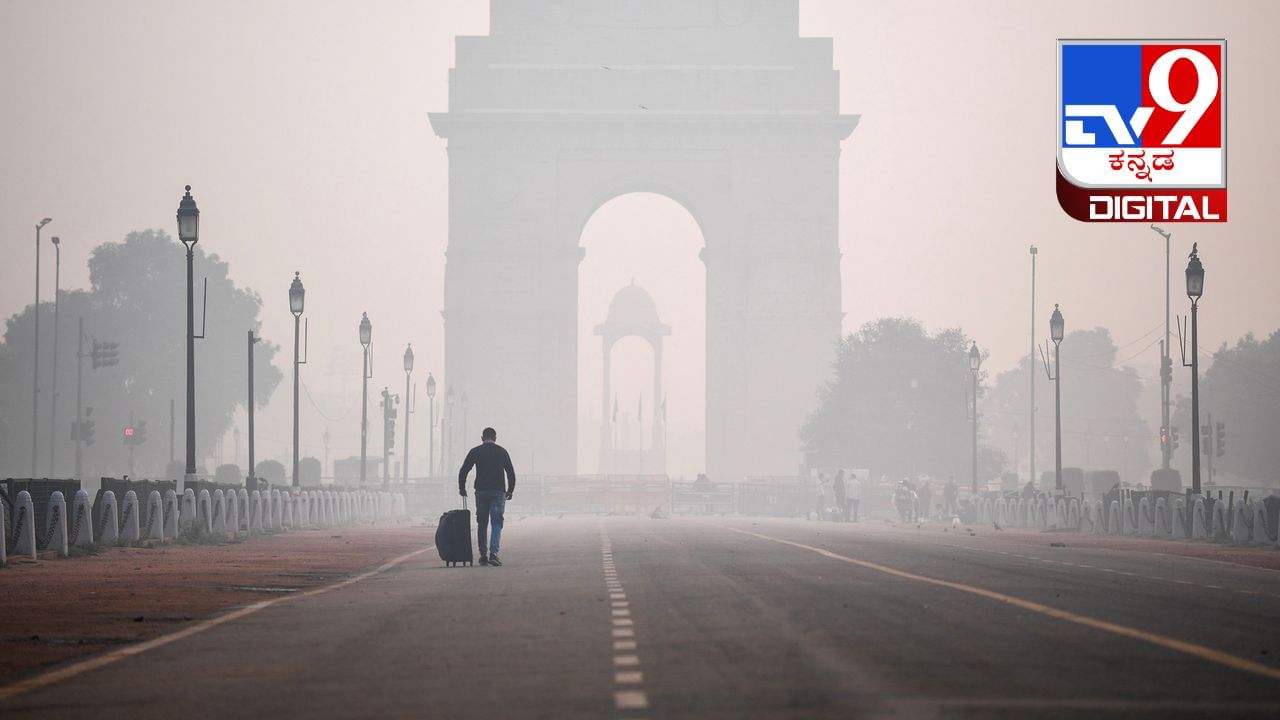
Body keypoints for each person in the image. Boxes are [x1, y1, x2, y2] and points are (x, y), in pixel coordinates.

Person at [458, 427, 516, 566]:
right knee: (496, 523)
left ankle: (483, 555)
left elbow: (464, 470)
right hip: (498, 492)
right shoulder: (502, 452)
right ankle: (493, 554)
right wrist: (510, 490)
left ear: (482, 438)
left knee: (482, 523)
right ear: (495, 438)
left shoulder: (475, 451)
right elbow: (510, 473)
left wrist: (462, 488)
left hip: (481, 492)